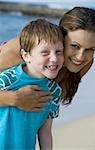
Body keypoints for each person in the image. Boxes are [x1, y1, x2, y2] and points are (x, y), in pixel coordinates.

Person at [0, 19, 64, 149]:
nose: (54, 58)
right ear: (26, 55)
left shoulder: (55, 91)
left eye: (59, 52)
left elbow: (45, 132)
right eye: (45, 52)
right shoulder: (7, 79)